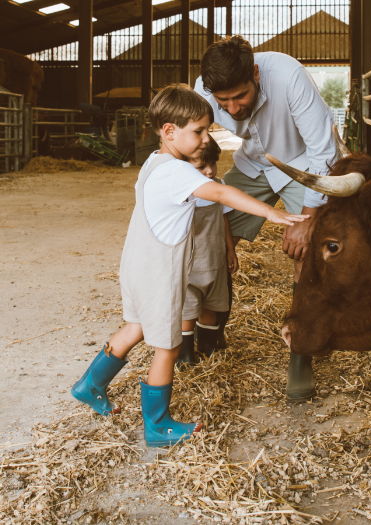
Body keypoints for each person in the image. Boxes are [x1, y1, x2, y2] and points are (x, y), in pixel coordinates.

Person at [71, 83, 309, 448]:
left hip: (136, 265)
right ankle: (157, 424)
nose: (204, 139)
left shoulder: (155, 161)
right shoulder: (178, 173)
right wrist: (270, 212)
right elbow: (221, 192)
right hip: (160, 273)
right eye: (198, 131)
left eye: (207, 130)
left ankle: (89, 386)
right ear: (169, 131)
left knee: (134, 328)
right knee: (166, 346)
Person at [194, 36, 337, 402]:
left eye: (239, 96)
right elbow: (190, 142)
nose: (232, 108)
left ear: (255, 74)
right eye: (222, 102)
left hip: (302, 166)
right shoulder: (204, 91)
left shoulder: (289, 76)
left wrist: (308, 218)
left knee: (307, 253)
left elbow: (324, 150)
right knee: (211, 237)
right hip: (253, 164)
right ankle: (211, 334)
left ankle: (300, 354)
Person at [178, 136, 237, 367]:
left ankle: (207, 347)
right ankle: (185, 354)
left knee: (211, 306)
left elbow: (224, 220)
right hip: (191, 264)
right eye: (201, 166)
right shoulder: (182, 194)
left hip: (215, 259)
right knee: (188, 310)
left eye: (213, 163)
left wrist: (230, 250)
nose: (210, 171)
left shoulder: (220, 187)